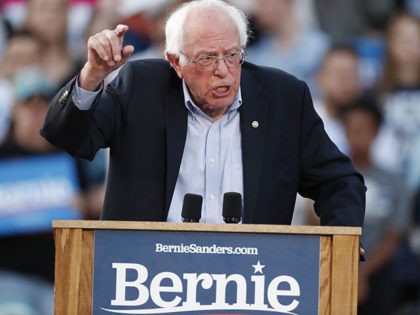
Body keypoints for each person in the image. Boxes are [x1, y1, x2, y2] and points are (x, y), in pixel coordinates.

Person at [40, 0, 365, 227]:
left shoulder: (283, 98)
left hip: (251, 279)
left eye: (232, 54)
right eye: (207, 59)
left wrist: (343, 244)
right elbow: (69, 137)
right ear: (175, 61)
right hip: (146, 273)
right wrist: (92, 75)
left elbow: (339, 181)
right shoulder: (142, 87)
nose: (223, 71)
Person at [340, 97, 412, 315]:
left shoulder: (395, 183)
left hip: (380, 273)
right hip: (336, 268)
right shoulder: (330, 178)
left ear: (377, 132)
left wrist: (362, 273)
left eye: (363, 128)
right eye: (351, 128)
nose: (356, 134)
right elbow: (314, 218)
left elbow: (394, 235)